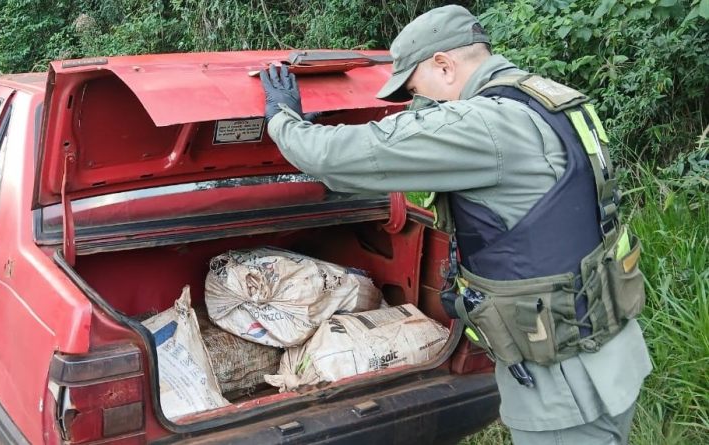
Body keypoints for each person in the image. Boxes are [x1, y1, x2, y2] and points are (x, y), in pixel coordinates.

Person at [260, 5, 651, 444]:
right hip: (610, 354)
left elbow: (332, 157)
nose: (418, 103)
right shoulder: (548, 99)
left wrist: (282, 119)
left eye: (415, 88)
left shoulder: (484, 125)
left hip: (561, 386)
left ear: (443, 65)